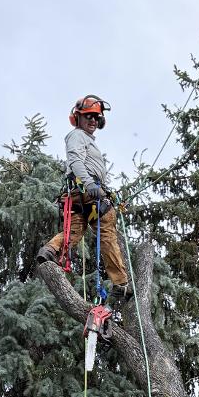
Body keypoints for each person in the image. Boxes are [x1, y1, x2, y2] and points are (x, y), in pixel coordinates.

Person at [37, 95, 130, 306]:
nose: (93, 121)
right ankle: (121, 283)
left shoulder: (86, 139)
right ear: (77, 118)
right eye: (88, 116)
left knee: (74, 233)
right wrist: (90, 184)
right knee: (106, 233)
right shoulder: (77, 136)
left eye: (96, 118)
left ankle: (50, 250)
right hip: (87, 191)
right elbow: (76, 161)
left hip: (81, 194)